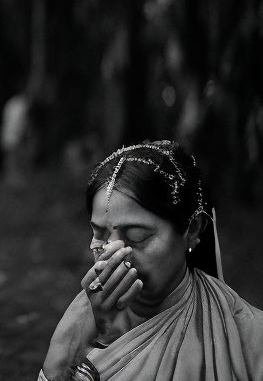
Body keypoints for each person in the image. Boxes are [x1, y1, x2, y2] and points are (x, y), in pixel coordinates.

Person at [39, 140, 263, 380]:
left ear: (193, 230)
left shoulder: (249, 335)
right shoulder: (79, 322)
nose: (113, 254)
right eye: (100, 235)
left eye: (137, 237)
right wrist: (90, 340)